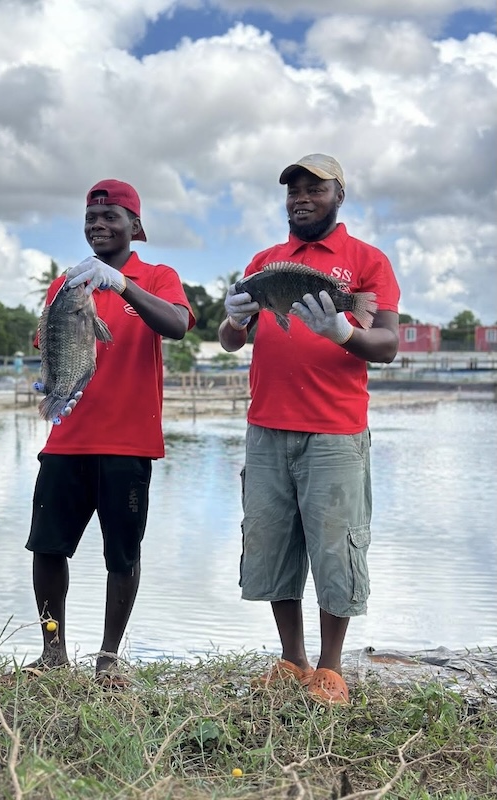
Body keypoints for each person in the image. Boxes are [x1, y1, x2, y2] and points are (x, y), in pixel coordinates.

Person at [218, 154, 400, 704]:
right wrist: (233, 318)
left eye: (314, 188)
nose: (300, 196)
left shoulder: (366, 260)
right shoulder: (265, 261)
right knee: (272, 544)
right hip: (266, 428)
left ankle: (331, 668)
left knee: (335, 549)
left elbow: (388, 344)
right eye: (293, 189)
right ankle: (292, 660)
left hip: (335, 431)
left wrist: (344, 332)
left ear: (338, 195)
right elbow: (232, 341)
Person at [25, 179, 195, 684]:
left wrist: (121, 285)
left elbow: (178, 325)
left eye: (111, 217)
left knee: (122, 553)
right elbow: (48, 342)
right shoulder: (66, 283)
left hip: (128, 443)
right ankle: (52, 651)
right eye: (91, 218)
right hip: (67, 438)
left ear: (135, 227)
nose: (99, 225)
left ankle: (109, 658)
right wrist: (50, 379)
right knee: (48, 547)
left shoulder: (159, 276)